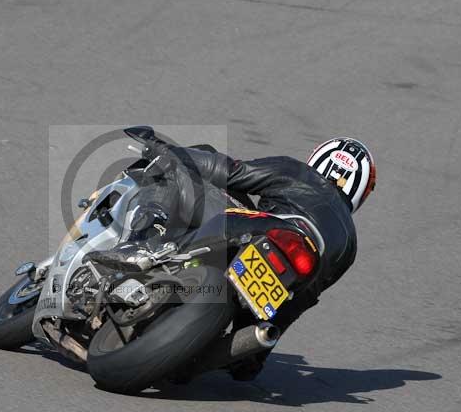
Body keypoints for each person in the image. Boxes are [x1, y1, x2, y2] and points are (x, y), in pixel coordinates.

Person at [142, 136, 376, 380]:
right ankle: (235, 348)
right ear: (360, 191)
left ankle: (147, 241)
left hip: (251, 232)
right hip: (279, 284)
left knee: (184, 166)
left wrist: (165, 150)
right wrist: (257, 352)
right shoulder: (350, 245)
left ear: (319, 157)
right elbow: (302, 299)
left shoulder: (296, 171)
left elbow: (232, 172)